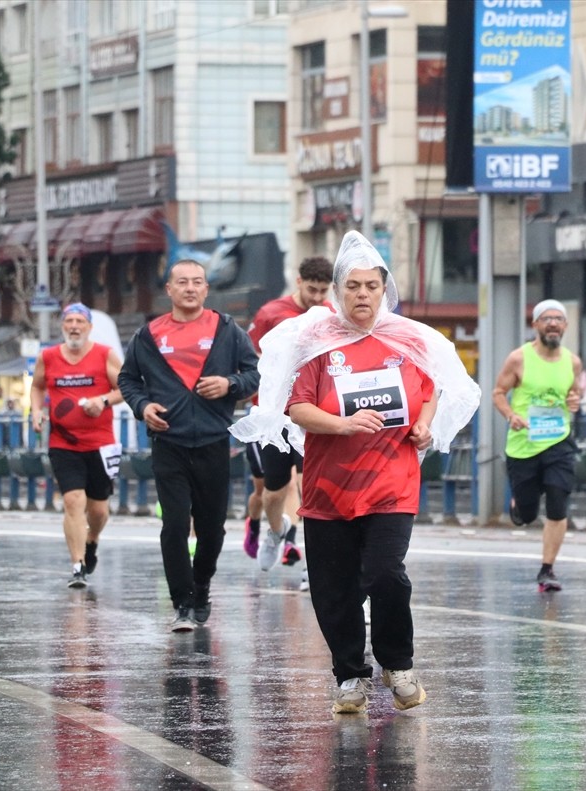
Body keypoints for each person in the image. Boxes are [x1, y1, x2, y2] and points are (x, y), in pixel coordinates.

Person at [231, 231, 479, 714]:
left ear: (385, 291)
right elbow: (295, 406)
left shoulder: (408, 339)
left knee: (387, 574)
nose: (363, 295)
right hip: (328, 486)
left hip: (392, 482)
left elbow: (431, 389)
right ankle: (349, 675)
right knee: (334, 587)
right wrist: (342, 425)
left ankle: (397, 663)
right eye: (353, 286)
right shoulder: (315, 343)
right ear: (337, 292)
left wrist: (426, 425)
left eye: (372, 286)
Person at [118, 260, 259, 631]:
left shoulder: (227, 329)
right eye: (182, 282)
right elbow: (128, 380)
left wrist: (229, 384)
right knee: (175, 524)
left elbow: (254, 373)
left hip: (214, 442)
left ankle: (201, 584)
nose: (190, 288)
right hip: (169, 442)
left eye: (197, 282)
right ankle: (182, 603)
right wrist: (143, 406)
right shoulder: (148, 335)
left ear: (206, 289)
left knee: (213, 528)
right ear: (169, 289)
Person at [246, 255, 333, 573]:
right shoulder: (271, 313)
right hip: (276, 414)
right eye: (312, 289)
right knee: (273, 491)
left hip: (313, 413)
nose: (317, 298)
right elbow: (250, 358)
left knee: (312, 486)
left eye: (324, 291)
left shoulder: (330, 315)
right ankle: (275, 530)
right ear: (299, 282)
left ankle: (316, 563)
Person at [30, 303, 124, 589]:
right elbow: (37, 386)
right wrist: (35, 411)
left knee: (98, 510)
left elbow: (127, 387)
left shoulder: (104, 355)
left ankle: (92, 539)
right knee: (72, 500)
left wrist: (103, 401)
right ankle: (77, 564)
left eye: (79, 321)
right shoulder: (48, 356)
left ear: (89, 327)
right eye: (68, 321)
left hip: (100, 443)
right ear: (62, 326)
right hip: (63, 441)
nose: (73, 326)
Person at [492, 299, 583, 592]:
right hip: (524, 444)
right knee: (528, 515)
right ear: (536, 325)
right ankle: (519, 504)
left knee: (558, 503)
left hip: (558, 440)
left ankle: (547, 570)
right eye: (547, 318)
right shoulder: (519, 359)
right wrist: (511, 415)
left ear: (565, 326)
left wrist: (574, 401)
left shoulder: (573, 362)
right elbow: (498, 393)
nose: (553, 323)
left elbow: (574, 395)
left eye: (558, 319)